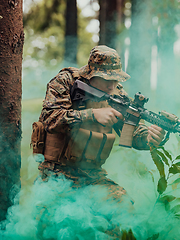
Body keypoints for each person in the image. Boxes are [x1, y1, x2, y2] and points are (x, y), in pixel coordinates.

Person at [36, 45, 165, 201]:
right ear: (90, 75)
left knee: (122, 205)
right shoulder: (65, 82)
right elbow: (51, 119)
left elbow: (131, 132)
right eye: (105, 79)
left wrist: (148, 138)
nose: (111, 85)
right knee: (51, 220)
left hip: (91, 174)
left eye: (115, 79)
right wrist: (92, 114)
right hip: (55, 172)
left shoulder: (117, 94)